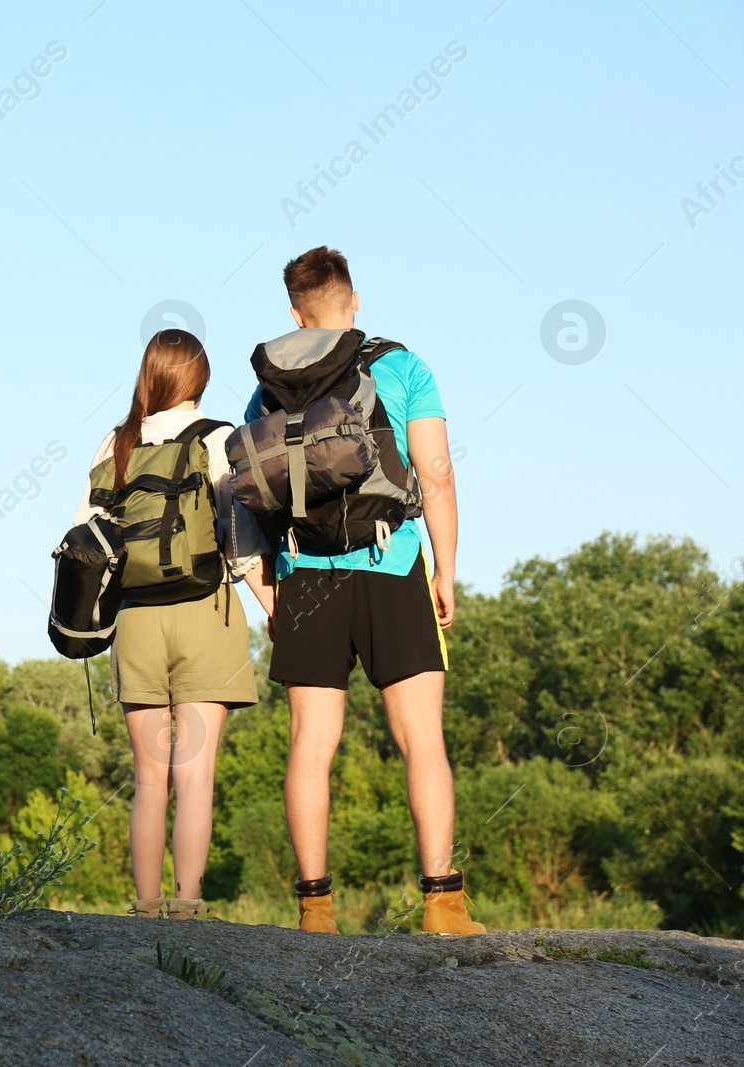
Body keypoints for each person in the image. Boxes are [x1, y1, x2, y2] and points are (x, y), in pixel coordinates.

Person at [244, 246, 485, 936]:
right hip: (391, 564)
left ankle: (315, 909)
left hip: (305, 576)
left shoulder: (267, 389)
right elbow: (435, 474)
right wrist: (445, 567)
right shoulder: (403, 365)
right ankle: (442, 901)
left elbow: (249, 496)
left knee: (309, 745)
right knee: (420, 739)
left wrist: (271, 597)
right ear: (355, 303)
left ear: (295, 314)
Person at [75, 328, 275, 920]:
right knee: (195, 775)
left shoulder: (115, 443)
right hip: (203, 613)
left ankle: (143, 906)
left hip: (135, 620)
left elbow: (88, 539)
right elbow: (241, 541)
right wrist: (276, 611)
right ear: (201, 377)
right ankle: (188, 909)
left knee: (148, 778)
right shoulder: (219, 439)